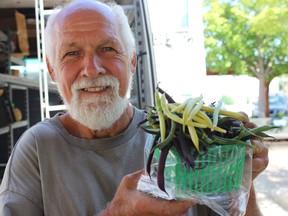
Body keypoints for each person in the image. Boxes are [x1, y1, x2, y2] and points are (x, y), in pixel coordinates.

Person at [0, 0, 268, 215]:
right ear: (52, 70)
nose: (92, 70)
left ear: (131, 61)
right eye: (72, 54)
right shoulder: (37, 149)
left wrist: (243, 179)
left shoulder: (179, 135)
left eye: (107, 48)